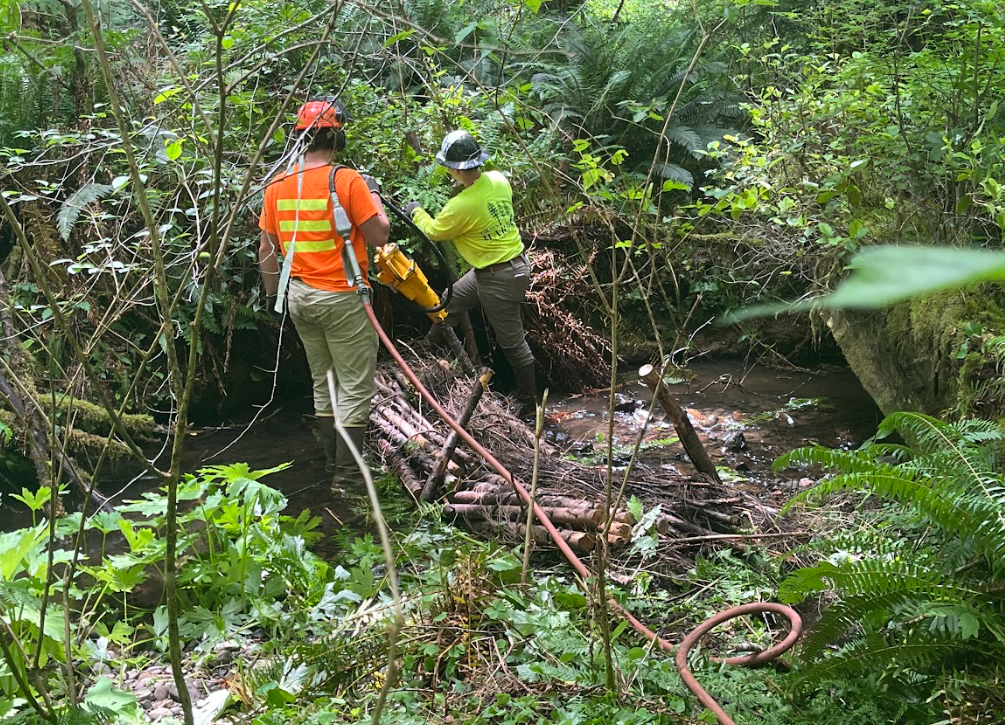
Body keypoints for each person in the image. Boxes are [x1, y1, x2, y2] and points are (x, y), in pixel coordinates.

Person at [257, 96, 389, 493]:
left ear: (299, 139)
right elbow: (380, 234)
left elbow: (266, 250)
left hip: (297, 297)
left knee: (323, 380)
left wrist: (271, 299)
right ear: (336, 137)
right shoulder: (346, 180)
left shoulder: (277, 184)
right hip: (342, 299)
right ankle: (347, 477)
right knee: (352, 385)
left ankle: (331, 462)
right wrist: (375, 196)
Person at [405, 130, 537, 416]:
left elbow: (433, 231)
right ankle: (428, 357)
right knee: (449, 301)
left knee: (512, 343)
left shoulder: (462, 206)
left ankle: (528, 403)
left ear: (453, 169)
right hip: (504, 268)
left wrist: (415, 210)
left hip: (498, 277)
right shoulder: (499, 180)